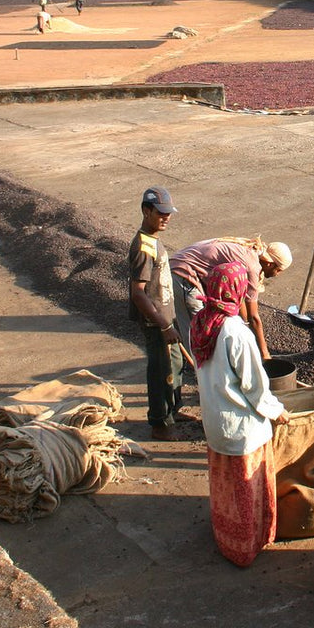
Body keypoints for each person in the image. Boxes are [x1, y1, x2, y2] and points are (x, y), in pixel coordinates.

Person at [193, 261, 289, 567]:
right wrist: (278, 412)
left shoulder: (200, 322)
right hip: (242, 428)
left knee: (226, 490)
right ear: (234, 291)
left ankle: (227, 540)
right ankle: (249, 545)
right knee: (248, 487)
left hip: (215, 421)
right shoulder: (235, 331)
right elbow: (255, 387)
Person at [170, 237, 293, 359]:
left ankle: (200, 362)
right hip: (183, 274)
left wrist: (244, 328)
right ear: (269, 263)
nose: (277, 274)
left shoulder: (251, 251)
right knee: (198, 330)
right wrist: (264, 354)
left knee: (202, 327)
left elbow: (240, 300)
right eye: (278, 270)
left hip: (185, 267)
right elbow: (254, 317)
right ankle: (200, 369)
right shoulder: (252, 267)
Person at [128, 186, 185, 442]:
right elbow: (138, 293)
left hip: (165, 318)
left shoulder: (154, 240)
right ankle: (159, 423)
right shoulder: (143, 247)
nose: (166, 217)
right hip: (156, 323)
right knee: (161, 371)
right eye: (161, 213)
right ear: (146, 210)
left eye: (168, 213)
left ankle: (174, 411)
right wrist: (163, 325)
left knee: (176, 365)